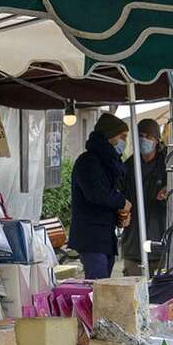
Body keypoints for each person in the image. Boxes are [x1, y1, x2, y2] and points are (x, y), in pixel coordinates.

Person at [120, 118, 173, 275]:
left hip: (164, 246)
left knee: (163, 295)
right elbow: (120, 199)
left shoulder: (172, 167)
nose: (143, 140)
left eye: (148, 136)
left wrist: (170, 196)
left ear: (157, 140)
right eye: (140, 136)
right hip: (134, 246)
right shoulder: (128, 167)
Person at [69, 113, 130, 279]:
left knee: (103, 284)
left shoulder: (110, 163)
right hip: (91, 237)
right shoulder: (87, 161)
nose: (125, 141)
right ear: (109, 136)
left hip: (105, 236)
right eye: (122, 136)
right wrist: (121, 201)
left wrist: (119, 214)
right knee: (98, 286)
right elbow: (96, 193)